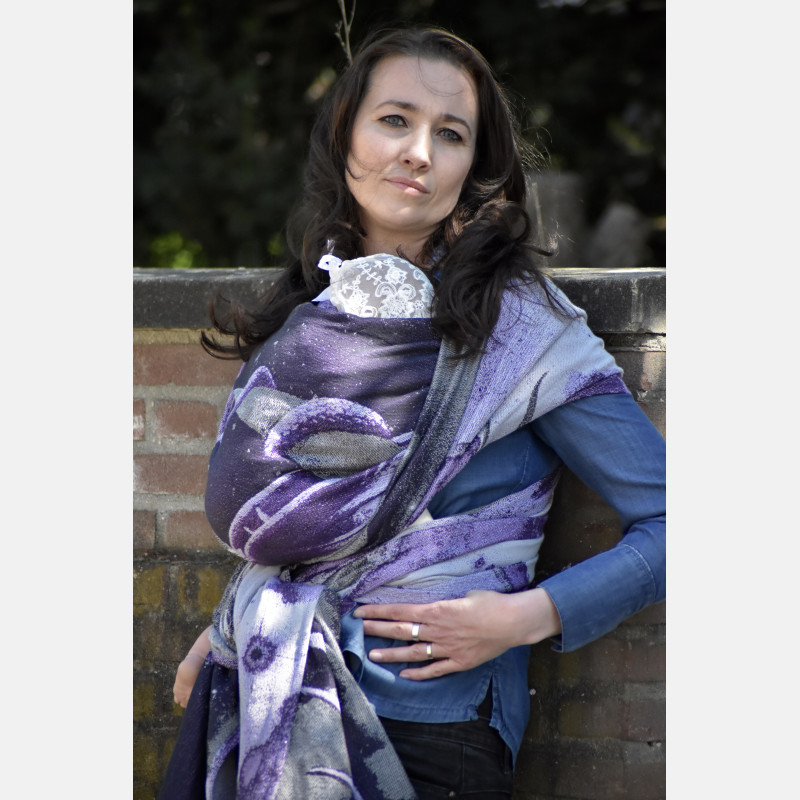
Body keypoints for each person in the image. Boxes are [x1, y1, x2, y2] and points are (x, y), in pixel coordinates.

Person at [161, 26, 665, 800]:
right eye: (395, 119)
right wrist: (238, 620)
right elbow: (315, 529)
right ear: (345, 135)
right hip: (272, 688)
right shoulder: (313, 317)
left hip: (435, 726)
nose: (420, 152)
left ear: (473, 167)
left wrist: (525, 618)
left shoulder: (524, 333)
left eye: (451, 134)